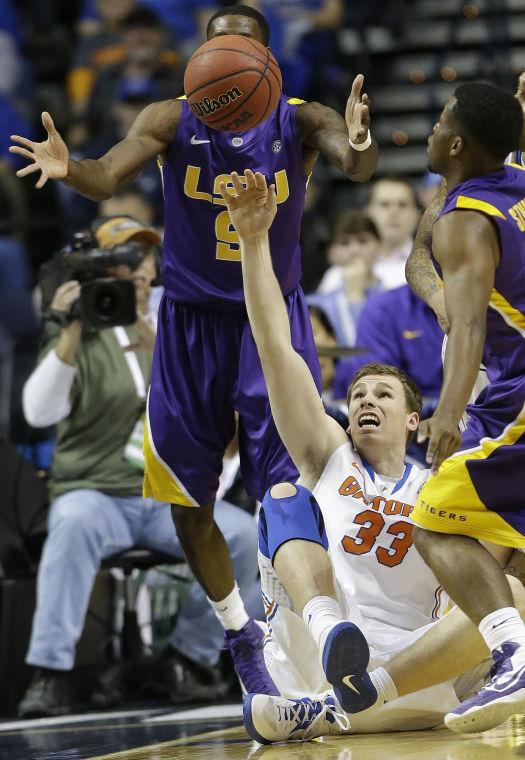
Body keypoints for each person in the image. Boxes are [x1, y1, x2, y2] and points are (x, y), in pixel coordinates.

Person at [9, 3, 378, 695]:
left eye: (238, 47)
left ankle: (317, 624)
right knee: (188, 501)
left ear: (265, 61)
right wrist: (70, 169)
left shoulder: (301, 117)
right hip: (187, 321)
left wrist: (357, 143)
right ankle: (240, 637)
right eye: (213, 48)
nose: (222, 60)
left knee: (285, 484)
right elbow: (106, 173)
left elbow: (352, 163)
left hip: (269, 315)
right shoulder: (171, 117)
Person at [216, 169, 525, 744]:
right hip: (322, 652)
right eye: (357, 394)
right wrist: (253, 241)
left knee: (514, 587)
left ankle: (339, 706)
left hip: (411, 675)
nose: (364, 400)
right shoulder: (330, 455)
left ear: (414, 420)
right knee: (283, 495)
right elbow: (276, 346)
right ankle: (327, 628)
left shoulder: (442, 481)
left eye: (382, 393)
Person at [17, 216, 260, 717]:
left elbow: (215, 422)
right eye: (126, 261)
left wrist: (166, 347)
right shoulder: (81, 328)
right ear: (101, 272)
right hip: (96, 492)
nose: (141, 271)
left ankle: (186, 659)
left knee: (244, 536)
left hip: (160, 496)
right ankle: (50, 672)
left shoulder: (176, 328)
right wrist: (73, 326)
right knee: (73, 522)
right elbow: (37, 413)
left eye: (145, 260)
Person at [398, 80, 525, 735]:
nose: (425, 131)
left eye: (437, 121)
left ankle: (511, 657)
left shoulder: (466, 220)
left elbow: (470, 329)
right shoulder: (510, 184)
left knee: (433, 519)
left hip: (519, 393)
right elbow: (419, 262)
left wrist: (446, 413)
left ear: (453, 143)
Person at [366, 177, 420, 290]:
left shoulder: (434, 265)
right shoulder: (343, 268)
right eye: (384, 204)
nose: (393, 212)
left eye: (402, 205)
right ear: (368, 213)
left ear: (417, 215)